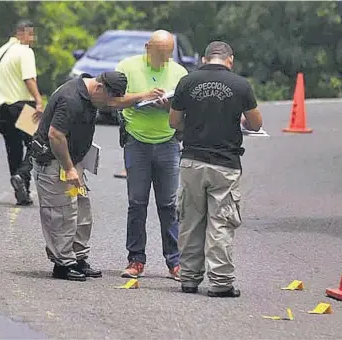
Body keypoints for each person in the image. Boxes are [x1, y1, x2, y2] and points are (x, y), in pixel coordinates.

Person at [169, 41, 263, 297]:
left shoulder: (187, 82)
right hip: (225, 164)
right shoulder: (240, 85)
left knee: (190, 221)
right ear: (230, 60)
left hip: (192, 161)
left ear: (203, 58)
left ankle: (188, 279)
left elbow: (174, 121)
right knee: (220, 224)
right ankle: (220, 283)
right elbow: (255, 124)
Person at [32, 71, 128, 281]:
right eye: (109, 99)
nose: (109, 105)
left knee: (82, 210)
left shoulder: (91, 94)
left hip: (74, 163)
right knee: (61, 214)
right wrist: (69, 168)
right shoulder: (70, 99)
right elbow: (55, 135)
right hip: (56, 163)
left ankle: (78, 257)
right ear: (100, 88)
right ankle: (63, 264)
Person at [109, 30, 188, 280]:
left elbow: (185, 111)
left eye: (168, 53)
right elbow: (113, 101)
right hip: (137, 142)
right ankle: (135, 260)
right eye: (159, 53)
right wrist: (141, 97)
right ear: (147, 47)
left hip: (167, 142)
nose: (164, 58)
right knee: (137, 203)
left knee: (168, 205)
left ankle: (175, 261)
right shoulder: (127, 67)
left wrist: (168, 106)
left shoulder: (180, 73)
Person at [0, 20, 44, 206]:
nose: (32, 39)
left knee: (13, 149)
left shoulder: (2, 51)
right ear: (21, 33)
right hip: (23, 106)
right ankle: (22, 176)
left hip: (3, 107)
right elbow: (29, 79)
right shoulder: (25, 51)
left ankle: (21, 191)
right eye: (30, 34)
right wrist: (39, 101)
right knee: (37, 144)